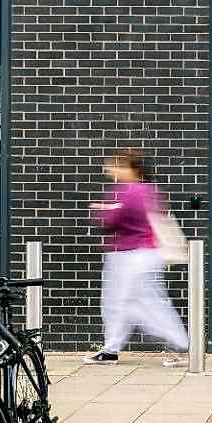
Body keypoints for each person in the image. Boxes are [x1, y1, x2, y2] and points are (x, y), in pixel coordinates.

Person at [85, 150, 190, 365]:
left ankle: (180, 343)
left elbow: (112, 219)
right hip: (136, 254)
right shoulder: (144, 190)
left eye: (120, 166)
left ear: (133, 170)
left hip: (133, 256)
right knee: (121, 303)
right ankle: (111, 349)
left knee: (142, 303)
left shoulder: (131, 191)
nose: (114, 170)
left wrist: (100, 210)